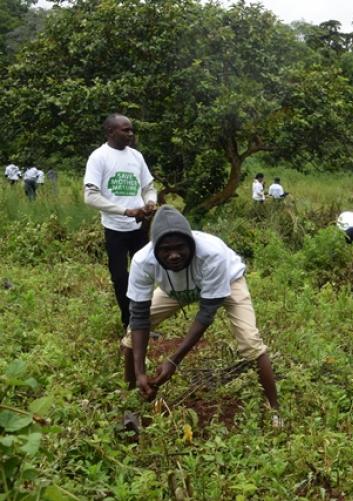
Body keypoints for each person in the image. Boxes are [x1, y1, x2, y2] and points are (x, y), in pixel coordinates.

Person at [121, 206, 281, 426]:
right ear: (155, 250)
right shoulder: (142, 261)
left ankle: (275, 412)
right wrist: (141, 371)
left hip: (227, 281)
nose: (174, 255)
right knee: (131, 335)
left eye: (180, 248)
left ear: (192, 244)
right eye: (166, 250)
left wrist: (173, 361)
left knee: (250, 342)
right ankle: (132, 407)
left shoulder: (212, 253)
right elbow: (139, 315)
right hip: (176, 290)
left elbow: (206, 313)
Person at [84, 113, 157, 330]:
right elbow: (91, 196)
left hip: (139, 228)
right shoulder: (99, 157)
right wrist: (126, 211)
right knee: (120, 276)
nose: (130, 134)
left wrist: (150, 202)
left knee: (144, 274)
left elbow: (148, 187)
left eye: (131, 129)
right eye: (125, 130)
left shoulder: (136, 156)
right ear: (110, 132)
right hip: (115, 229)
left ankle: (144, 322)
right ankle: (129, 322)